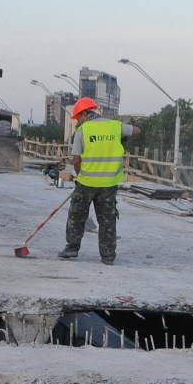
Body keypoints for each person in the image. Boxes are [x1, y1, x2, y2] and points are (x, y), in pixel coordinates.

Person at [58, 97, 140, 265]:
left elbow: (76, 160)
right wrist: (121, 138)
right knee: (107, 220)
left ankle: (72, 248)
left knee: (77, 215)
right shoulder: (114, 126)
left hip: (87, 182)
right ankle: (108, 256)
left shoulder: (83, 131)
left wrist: (80, 176)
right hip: (109, 184)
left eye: (77, 118)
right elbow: (136, 130)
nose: (77, 122)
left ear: (83, 114)